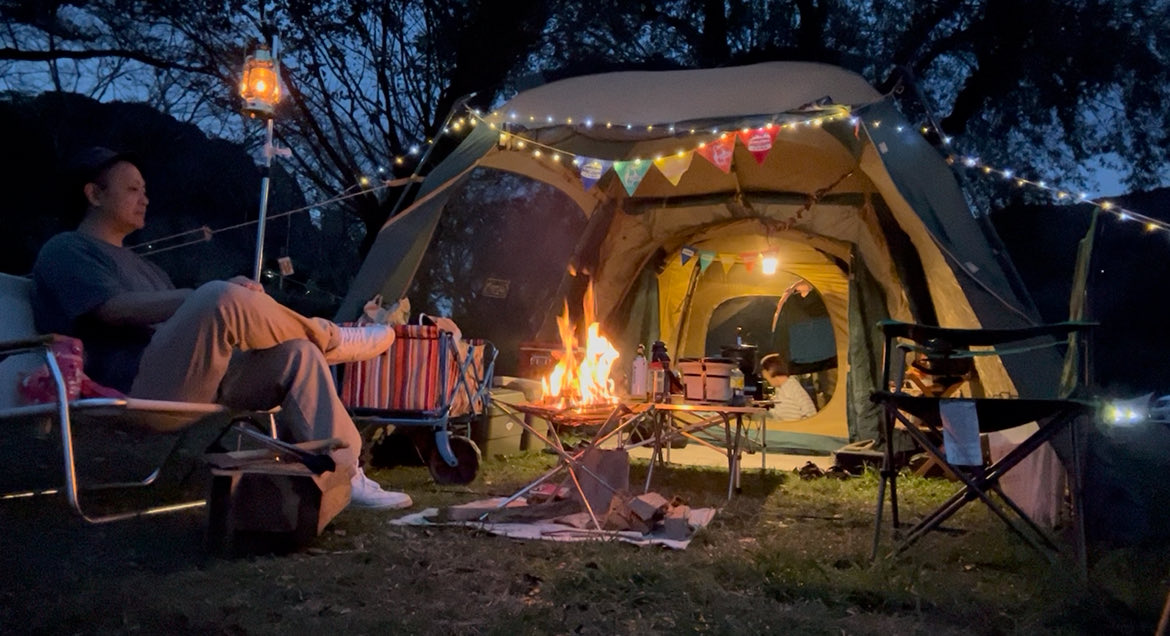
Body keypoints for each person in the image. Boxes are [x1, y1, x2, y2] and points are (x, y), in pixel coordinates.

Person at [31, 147, 410, 509]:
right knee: (218, 296)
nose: (145, 198)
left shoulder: (146, 267)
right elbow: (111, 309)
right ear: (94, 194)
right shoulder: (67, 249)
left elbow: (181, 325)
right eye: (132, 189)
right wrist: (206, 299)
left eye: (145, 190)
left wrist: (238, 310)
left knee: (297, 353)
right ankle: (333, 337)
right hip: (133, 385)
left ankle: (344, 472)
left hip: (191, 381)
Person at [759, 353, 816, 421]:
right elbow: (779, 413)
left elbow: (810, 412)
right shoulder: (780, 389)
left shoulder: (792, 386)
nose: (768, 382)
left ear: (771, 371)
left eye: (767, 379)